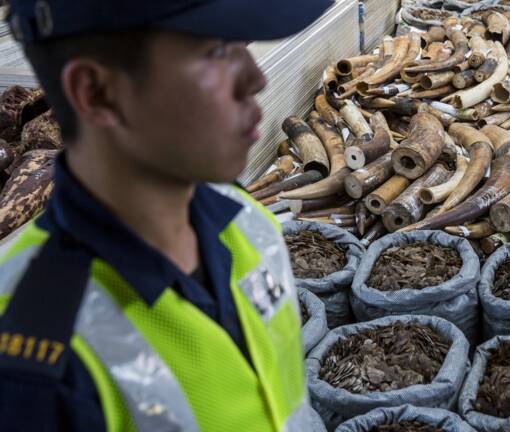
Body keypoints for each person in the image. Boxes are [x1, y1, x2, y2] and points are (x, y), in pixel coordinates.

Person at [0, 0, 333, 430]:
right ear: (97, 93)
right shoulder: (41, 363)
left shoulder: (249, 226)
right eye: (216, 51)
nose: (255, 77)